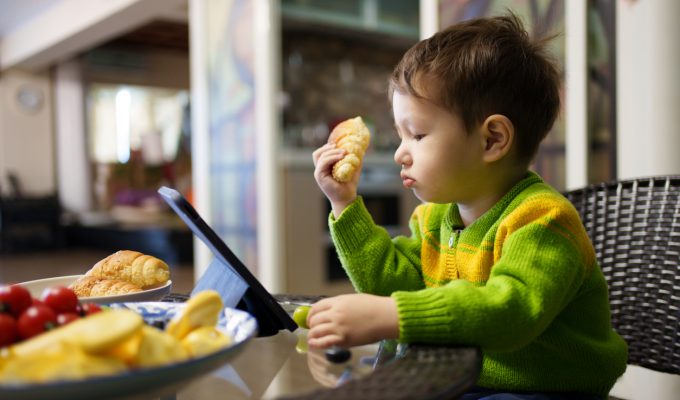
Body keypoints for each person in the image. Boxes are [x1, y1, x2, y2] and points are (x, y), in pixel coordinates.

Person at [309, 12, 627, 399]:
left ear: (492, 139)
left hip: (542, 389)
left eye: (418, 135)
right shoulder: (434, 217)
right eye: (400, 136)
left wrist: (392, 316)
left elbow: (509, 312)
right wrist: (343, 204)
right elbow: (393, 283)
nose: (399, 155)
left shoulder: (544, 220)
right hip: (462, 379)